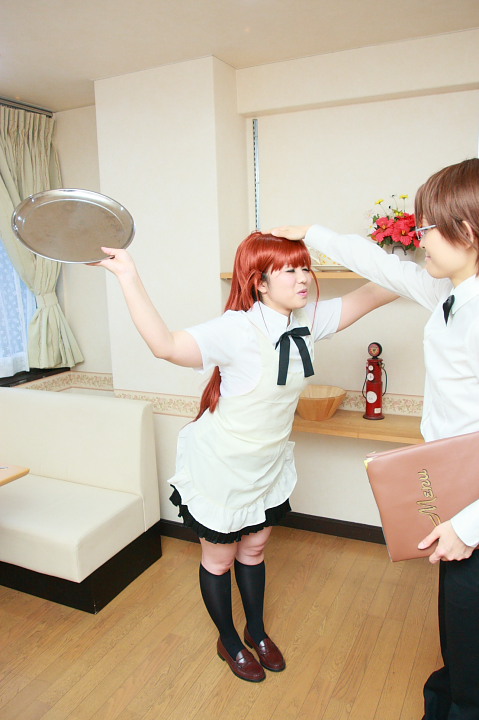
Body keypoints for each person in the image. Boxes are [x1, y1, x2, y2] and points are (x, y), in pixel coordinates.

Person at [95, 230, 397, 683]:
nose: (303, 277)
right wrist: (127, 275)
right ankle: (229, 640)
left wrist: (438, 259)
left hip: (267, 463)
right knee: (220, 560)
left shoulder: (307, 319)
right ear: (260, 282)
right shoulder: (236, 329)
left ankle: (256, 631)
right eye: (290, 269)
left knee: (253, 550)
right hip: (222, 465)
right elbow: (165, 345)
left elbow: (377, 291)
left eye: (305, 267)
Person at [271, 157, 479, 718]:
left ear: (467, 230)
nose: (420, 238)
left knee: (470, 633)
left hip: (473, 503)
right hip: (457, 483)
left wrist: (468, 525)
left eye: (427, 227)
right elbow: (386, 268)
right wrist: (314, 233)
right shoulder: (453, 292)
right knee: (458, 627)